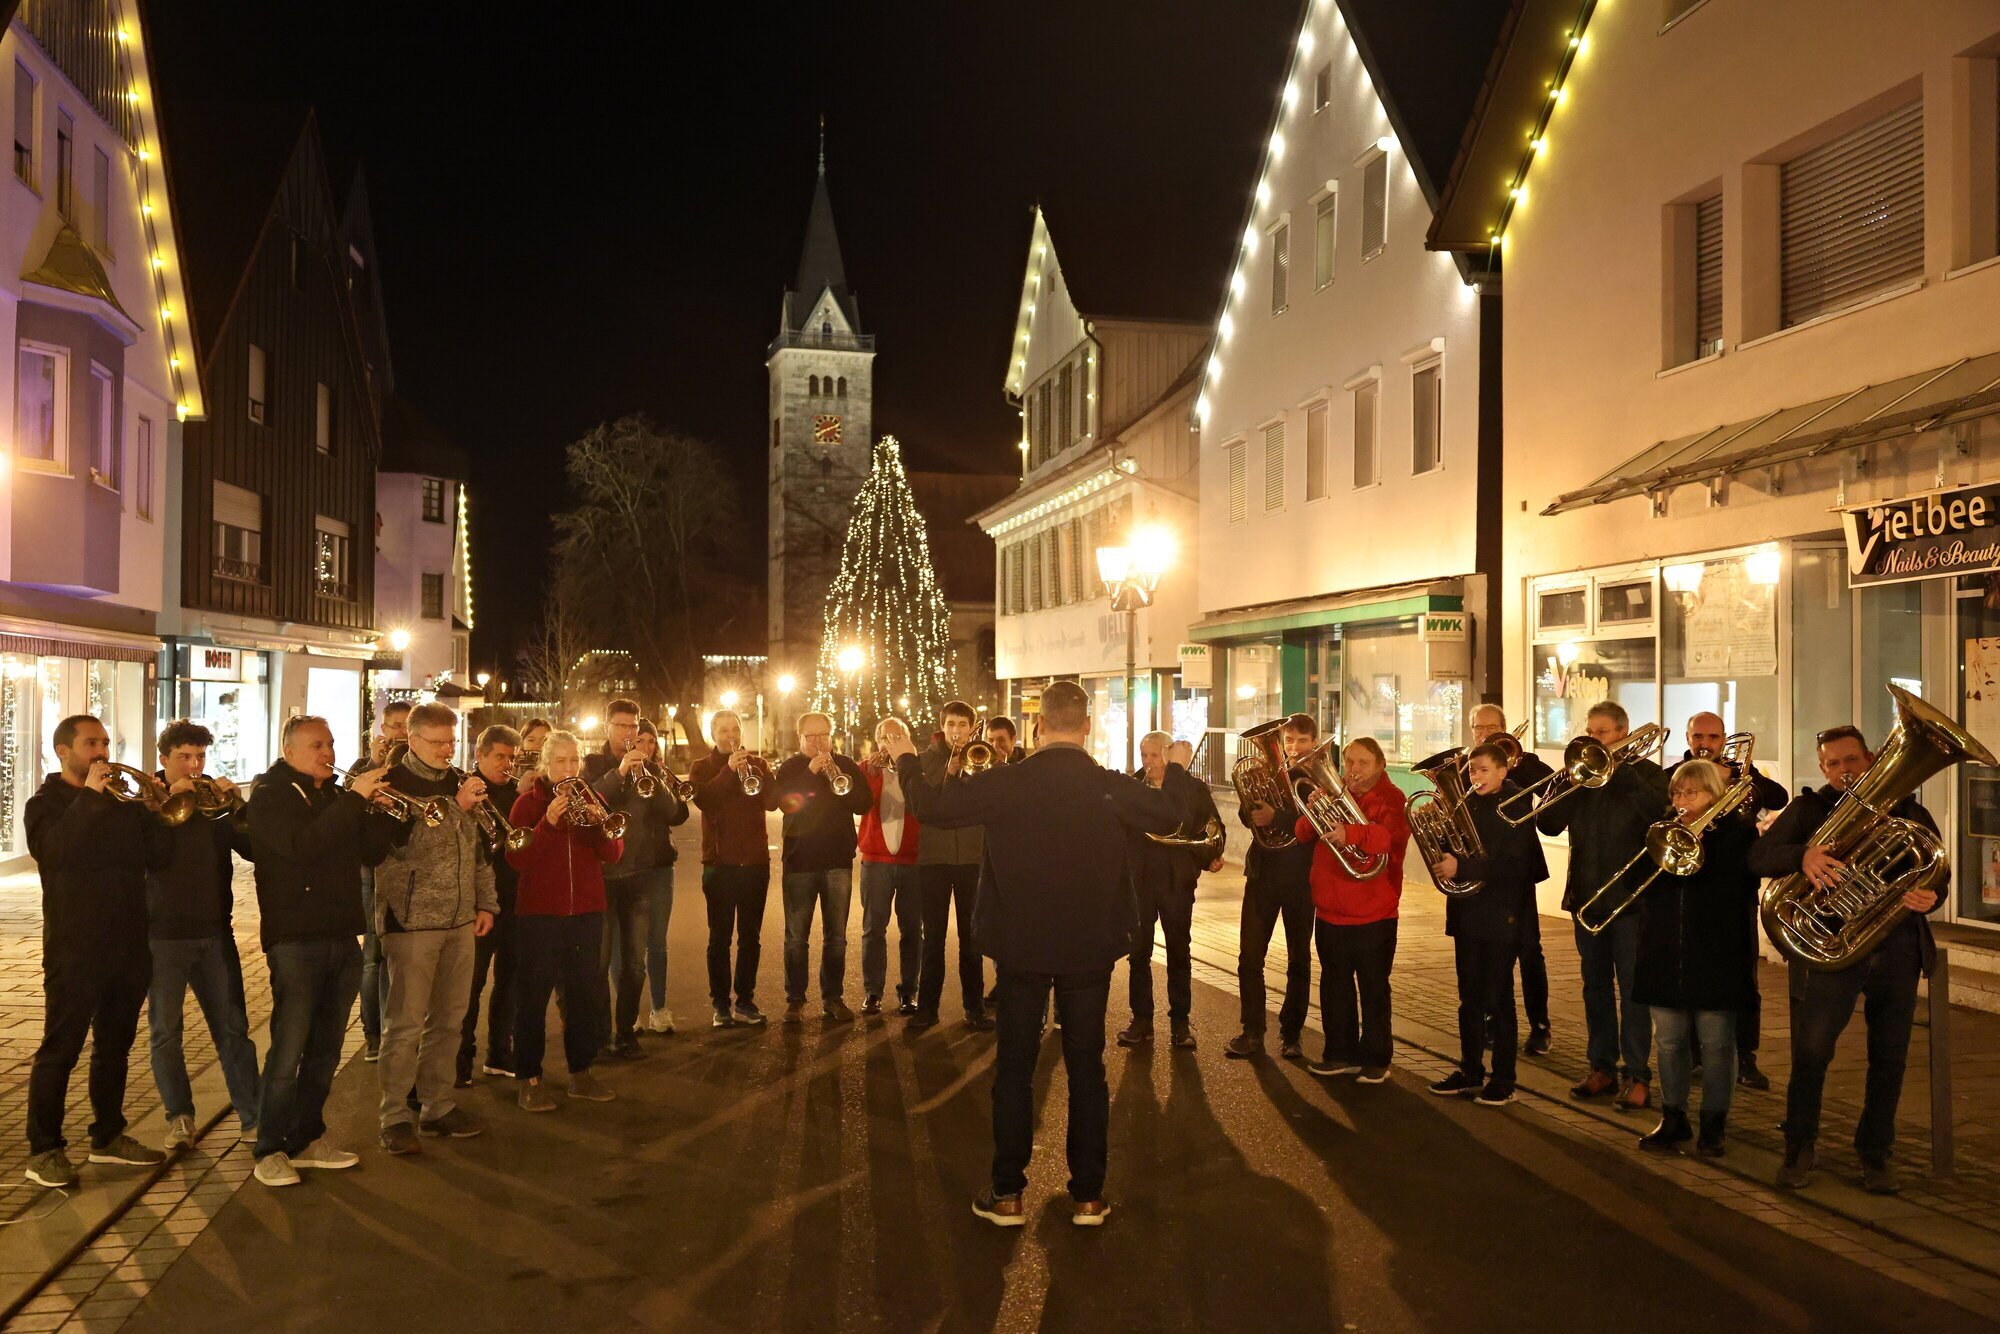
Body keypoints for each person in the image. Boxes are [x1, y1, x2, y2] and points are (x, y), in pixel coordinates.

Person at [891, 680, 1179, 1226]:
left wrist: (906, 756)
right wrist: (1170, 773)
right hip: (1088, 946)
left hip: (1020, 944)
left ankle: (1007, 1192)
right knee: (1087, 1068)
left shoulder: (1009, 782)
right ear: (1087, 726)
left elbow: (933, 807)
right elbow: (1168, 816)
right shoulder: (1107, 784)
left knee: (1016, 1067)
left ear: (1039, 725)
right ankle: (1088, 1194)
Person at [1750, 723, 1939, 1195]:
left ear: (1871, 759)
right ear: (1822, 769)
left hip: (1897, 948)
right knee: (1812, 1053)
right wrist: (1802, 856)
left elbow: (1937, 870)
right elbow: (1758, 857)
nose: (1843, 770)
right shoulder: (1809, 810)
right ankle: (1799, 1147)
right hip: (1831, 948)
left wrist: (1931, 895)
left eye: (1851, 760)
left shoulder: (1908, 810)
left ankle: (1876, 1152)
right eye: (1833, 763)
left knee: (1890, 1056)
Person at [247, 715, 399, 1187]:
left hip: (341, 935)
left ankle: (306, 1138)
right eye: (316, 745)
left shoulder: (334, 795)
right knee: (288, 1050)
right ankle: (269, 1148)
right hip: (295, 939)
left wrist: (378, 810)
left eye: (330, 744)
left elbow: (372, 853)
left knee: (325, 1051)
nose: (327, 753)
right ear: (289, 751)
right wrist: (354, 800)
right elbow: (302, 846)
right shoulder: (269, 795)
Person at [23, 715, 167, 1188]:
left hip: (128, 942)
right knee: (61, 1049)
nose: (102, 751)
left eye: (105, 742)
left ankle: (107, 1136)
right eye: (91, 743)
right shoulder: (44, 804)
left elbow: (158, 859)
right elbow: (56, 853)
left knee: (114, 1046)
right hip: (75, 946)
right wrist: (89, 796)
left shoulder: (122, 801)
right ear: (63, 751)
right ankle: (44, 1149)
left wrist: (156, 810)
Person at [373, 703, 498, 1155]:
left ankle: (437, 1106)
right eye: (438, 742)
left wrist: (487, 901)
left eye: (451, 741)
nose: (447, 750)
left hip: (460, 919)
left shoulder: (457, 781)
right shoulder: (390, 786)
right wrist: (458, 807)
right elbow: (408, 849)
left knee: (449, 1021)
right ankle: (393, 1116)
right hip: (412, 922)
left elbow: (478, 849)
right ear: (413, 741)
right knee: (405, 1025)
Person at [1537, 701, 1668, 1111]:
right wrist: (1570, 783)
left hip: (1631, 900)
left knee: (1632, 991)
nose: (1595, 739)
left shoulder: (1647, 774)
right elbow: (1547, 823)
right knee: (1594, 987)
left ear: (1624, 733)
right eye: (1591, 731)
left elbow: (1658, 815)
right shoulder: (1581, 777)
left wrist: (1622, 771)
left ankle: (1638, 1075)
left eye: (1603, 732)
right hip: (1586, 898)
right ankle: (1602, 1067)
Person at [1631, 759, 1758, 1157]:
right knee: (1669, 1041)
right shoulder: (1661, 831)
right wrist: (1666, 849)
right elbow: (1639, 885)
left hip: (1716, 953)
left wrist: (1701, 850)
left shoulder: (1738, 833)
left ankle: (1714, 1121)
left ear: (1713, 795)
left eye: (1692, 792)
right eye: (1677, 793)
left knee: (1717, 1043)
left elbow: (1740, 887)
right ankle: (1673, 1117)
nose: (1682, 800)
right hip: (1664, 949)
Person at [144, 721, 260, 1149]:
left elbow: (253, 849)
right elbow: (150, 857)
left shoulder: (213, 801)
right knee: (165, 1033)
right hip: (162, 934)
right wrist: (166, 810)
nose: (194, 766)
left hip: (214, 931)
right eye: (184, 758)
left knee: (233, 1030)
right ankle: (179, 1117)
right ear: (163, 760)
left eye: (200, 756)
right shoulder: (147, 800)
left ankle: (253, 1117)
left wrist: (238, 806)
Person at [1667, 711, 1787, 1091]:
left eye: (1713, 737)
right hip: (1689, 891)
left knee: (1743, 976)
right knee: (1690, 973)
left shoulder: (1741, 774)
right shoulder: (1675, 777)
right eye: (1698, 736)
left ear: (1723, 739)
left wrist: (1736, 776)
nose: (1705, 744)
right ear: (1688, 738)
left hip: (1735, 892)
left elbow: (1779, 797)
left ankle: (1745, 1056)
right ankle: (1695, 1055)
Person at [1427, 741, 1548, 1106]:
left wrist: (1461, 866)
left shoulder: (1515, 808)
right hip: (1467, 914)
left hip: (1502, 916)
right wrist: (1436, 830)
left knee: (1498, 999)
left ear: (1502, 772)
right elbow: (1445, 852)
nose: (1475, 777)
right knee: (1469, 999)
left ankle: (1504, 1079)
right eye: (1471, 770)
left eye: (1483, 770)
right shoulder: (1463, 805)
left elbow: (1514, 867)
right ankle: (1470, 1070)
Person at [506, 731, 622, 1110]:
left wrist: (597, 825)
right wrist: (547, 825)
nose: (569, 768)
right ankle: (529, 1078)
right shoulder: (527, 804)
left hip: (586, 912)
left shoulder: (593, 798)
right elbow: (516, 860)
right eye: (561, 761)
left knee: (583, 995)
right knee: (533, 998)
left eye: (574, 760)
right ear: (546, 764)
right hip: (539, 916)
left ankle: (581, 1073)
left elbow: (613, 853)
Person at [1299, 737, 1409, 1084]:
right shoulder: (1333, 795)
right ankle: (1339, 1054)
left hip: (1374, 912)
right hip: (1330, 910)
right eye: (1348, 762)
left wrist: (1352, 833)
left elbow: (1390, 838)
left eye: (1362, 762)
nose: (1353, 770)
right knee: (1334, 987)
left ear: (1380, 765)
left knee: (1373, 989)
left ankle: (1376, 1059)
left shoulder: (1394, 799)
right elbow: (1301, 833)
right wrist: (1313, 808)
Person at [583, 702, 688, 1056]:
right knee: (598, 963)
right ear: (607, 726)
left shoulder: (650, 767)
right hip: (602, 875)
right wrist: (620, 773)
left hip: (640, 874)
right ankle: (599, 1035)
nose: (628, 733)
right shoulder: (593, 764)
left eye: (633, 726)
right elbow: (590, 802)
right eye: (621, 725)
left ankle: (626, 1032)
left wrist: (654, 779)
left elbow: (673, 812)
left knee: (634, 964)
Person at [1118, 731, 1224, 1051]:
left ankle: (1180, 1022)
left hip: (1176, 879)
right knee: (1138, 952)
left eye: (1154, 755)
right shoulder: (1133, 787)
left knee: (1179, 951)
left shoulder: (1192, 787)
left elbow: (1212, 826)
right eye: (1144, 755)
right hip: (1140, 879)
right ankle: (1141, 1020)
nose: (1148, 762)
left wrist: (1210, 857)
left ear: (1169, 754)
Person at [764, 712, 871, 1024]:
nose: (818, 741)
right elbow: (782, 803)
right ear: (800, 738)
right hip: (800, 861)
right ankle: (795, 1000)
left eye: (823, 735)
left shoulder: (846, 764)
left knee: (836, 936)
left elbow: (863, 804)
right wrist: (811, 773)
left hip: (837, 861)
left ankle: (833, 997)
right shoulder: (790, 768)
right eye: (811, 736)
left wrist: (839, 778)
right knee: (796, 937)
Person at [1226, 714, 1318, 1062]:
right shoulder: (1264, 773)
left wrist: (1276, 817)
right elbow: (1245, 817)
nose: (1294, 748)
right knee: (1249, 957)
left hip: (1301, 878)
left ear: (1314, 742)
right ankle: (1252, 1031)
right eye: (1288, 741)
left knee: (1299, 959)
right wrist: (1250, 801)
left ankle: (1291, 1035)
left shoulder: (1318, 779)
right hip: (1263, 874)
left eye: (1302, 741)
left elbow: (1318, 824)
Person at [1470, 704, 1556, 1056]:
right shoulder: (1467, 768)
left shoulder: (1523, 761)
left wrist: (1520, 764)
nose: (1485, 734)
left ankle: (1540, 1026)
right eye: (1479, 728)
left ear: (1505, 728)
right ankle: (1492, 1020)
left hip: (1517, 873)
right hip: (1480, 871)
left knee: (1529, 950)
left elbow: (1553, 789)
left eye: (1491, 727)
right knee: (1489, 953)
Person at [912, 702, 992, 1030]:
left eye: (962, 724)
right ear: (942, 727)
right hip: (934, 859)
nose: (956, 731)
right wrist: (950, 772)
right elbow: (929, 808)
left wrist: (977, 768)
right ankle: (927, 1009)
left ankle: (974, 1007)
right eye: (950, 724)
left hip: (971, 858)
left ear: (972, 728)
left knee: (972, 939)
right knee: (933, 938)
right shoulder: (925, 762)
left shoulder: (982, 759)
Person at [689, 710, 770, 1028]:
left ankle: (745, 1000)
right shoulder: (701, 767)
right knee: (719, 938)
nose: (731, 735)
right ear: (713, 734)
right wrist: (728, 771)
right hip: (719, 865)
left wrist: (757, 772)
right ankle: (720, 1003)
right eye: (723, 730)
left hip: (755, 863)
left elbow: (773, 801)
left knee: (751, 937)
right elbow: (703, 800)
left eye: (735, 729)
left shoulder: (758, 763)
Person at [459, 725, 524, 1086]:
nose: (507, 764)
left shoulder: (517, 792)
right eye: (499, 756)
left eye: (511, 758)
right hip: (476, 904)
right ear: (479, 755)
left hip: (513, 900)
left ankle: (500, 1053)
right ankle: (460, 1059)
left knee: (509, 982)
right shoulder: (467, 790)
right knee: (469, 986)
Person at [352, 699, 412, 1063]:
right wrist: (376, 764)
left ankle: (398, 1030)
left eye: (407, 725)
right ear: (383, 729)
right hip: (371, 871)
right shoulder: (363, 766)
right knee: (373, 955)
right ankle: (373, 1034)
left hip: (406, 871)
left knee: (400, 955)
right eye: (395, 725)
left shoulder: (415, 765)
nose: (401, 732)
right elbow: (349, 807)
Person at [858, 717, 923, 1016]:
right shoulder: (865, 768)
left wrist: (906, 765)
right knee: (873, 930)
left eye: (897, 737)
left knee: (912, 930)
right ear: (877, 741)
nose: (890, 743)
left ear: (907, 740)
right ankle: (873, 993)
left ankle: (909, 992)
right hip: (876, 861)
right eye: (885, 738)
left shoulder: (916, 768)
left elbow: (921, 805)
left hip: (913, 861)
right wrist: (873, 774)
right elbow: (863, 805)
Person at [634, 720, 689, 1034]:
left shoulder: (660, 772)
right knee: (629, 946)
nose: (646, 747)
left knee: (657, 941)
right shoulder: (619, 772)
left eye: (651, 742)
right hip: (629, 866)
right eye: (639, 741)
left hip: (660, 864)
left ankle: (659, 1008)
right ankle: (629, 1012)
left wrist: (664, 783)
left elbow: (678, 815)